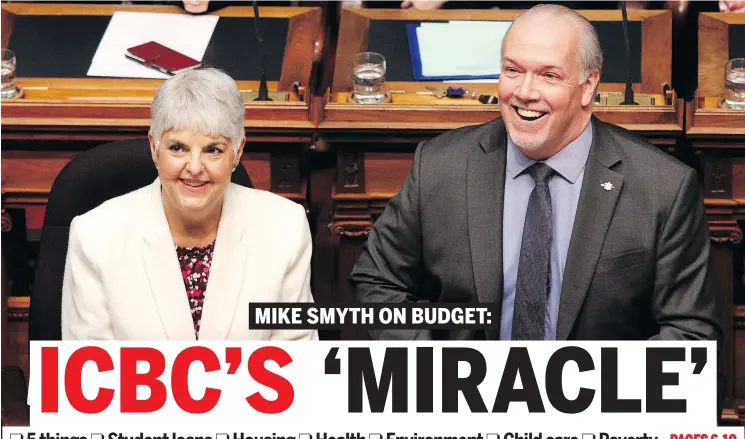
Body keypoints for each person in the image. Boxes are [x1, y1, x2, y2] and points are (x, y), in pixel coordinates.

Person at [350, 4, 721, 342]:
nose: (525, 92)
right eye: (513, 70)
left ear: (588, 85)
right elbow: (377, 281)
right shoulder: (440, 165)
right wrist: (441, 371)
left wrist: (602, 394)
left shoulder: (663, 188)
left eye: (548, 75)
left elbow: (691, 332)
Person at [61, 67, 317, 341]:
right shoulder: (93, 235)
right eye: (177, 148)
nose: (194, 167)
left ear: (238, 151)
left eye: (213, 150)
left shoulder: (286, 227)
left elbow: (295, 362)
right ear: (153, 147)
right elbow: (89, 372)